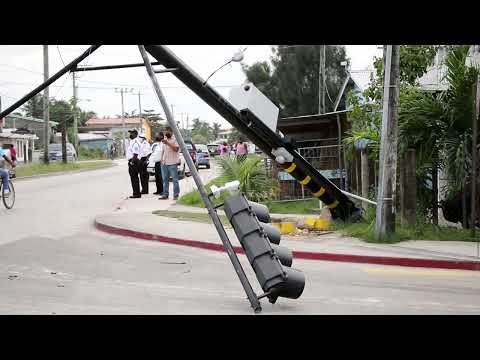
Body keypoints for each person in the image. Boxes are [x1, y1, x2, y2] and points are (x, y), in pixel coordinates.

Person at [159, 127, 180, 200]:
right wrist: (161, 159)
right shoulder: (164, 140)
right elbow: (163, 150)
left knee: (175, 180)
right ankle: (165, 194)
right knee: (165, 179)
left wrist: (168, 143)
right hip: (164, 162)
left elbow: (176, 149)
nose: (165, 133)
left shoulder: (175, 139)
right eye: (165, 132)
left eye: (167, 132)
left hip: (173, 163)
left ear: (171, 132)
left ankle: (176, 195)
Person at [126, 129, 142, 198]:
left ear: (135, 134)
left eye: (131, 133)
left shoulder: (135, 142)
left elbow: (135, 153)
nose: (130, 134)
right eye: (130, 133)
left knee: (134, 178)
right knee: (134, 178)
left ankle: (136, 194)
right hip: (133, 161)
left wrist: (132, 162)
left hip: (134, 161)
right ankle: (136, 193)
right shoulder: (132, 141)